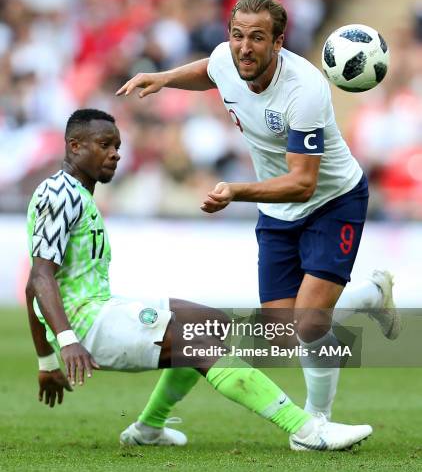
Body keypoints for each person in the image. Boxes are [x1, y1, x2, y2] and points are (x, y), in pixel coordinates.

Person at [116, 0, 401, 422]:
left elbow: (303, 184)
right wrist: (164, 78)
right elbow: (210, 71)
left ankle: (317, 420)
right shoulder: (227, 59)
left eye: (256, 38)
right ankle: (370, 294)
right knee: (282, 336)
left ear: (278, 42)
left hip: (332, 200)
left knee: (309, 323)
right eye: (237, 35)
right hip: (277, 208)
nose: (244, 47)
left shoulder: (304, 91)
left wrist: (236, 190)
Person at [26, 108, 373, 452]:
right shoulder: (59, 194)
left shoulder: (77, 195)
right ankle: (306, 430)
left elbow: (32, 288)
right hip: (86, 324)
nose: (115, 153)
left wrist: (46, 362)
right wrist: (66, 341)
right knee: (199, 342)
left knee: (211, 322)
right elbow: (40, 277)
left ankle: (148, 429)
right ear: (74, 146)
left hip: (97, 311)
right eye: (104, 144)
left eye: (117, 145)